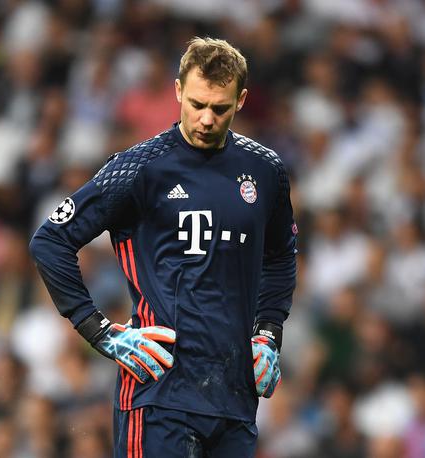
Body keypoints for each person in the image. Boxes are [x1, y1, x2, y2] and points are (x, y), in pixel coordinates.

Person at [29, 37, 297, 457]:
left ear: (241, 100)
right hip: (160, 392)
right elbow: (50, 240)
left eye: (220, 108)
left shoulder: (265, 171)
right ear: (177, 92)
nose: (206, 118)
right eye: (196, 104)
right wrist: (100, 332)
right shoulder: (138, 168)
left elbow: (281, 257)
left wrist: (268, 334)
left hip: (235, 397)